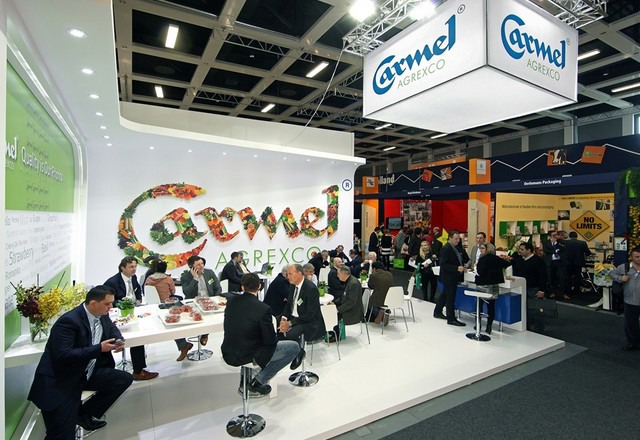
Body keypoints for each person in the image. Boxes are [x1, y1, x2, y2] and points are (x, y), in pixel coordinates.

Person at [28, 285, 133, 439]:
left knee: (123, 379)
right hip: (62, 381)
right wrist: (99, 348)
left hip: (86, 373)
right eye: (107, 303)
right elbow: (63, 356)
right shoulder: (68, 322)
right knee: (62, 435)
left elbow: (111, 328)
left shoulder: (101, 314)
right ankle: (71, 416)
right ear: (93, 303)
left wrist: (118, 339)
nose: (111, 307)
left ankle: (83, 414)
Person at [221, 273, 300, 396]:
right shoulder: (263, 309)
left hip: (228, 350)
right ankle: (259, 381)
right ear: (259, 287)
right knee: (294, 347)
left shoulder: (231, 301)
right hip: (248, 354)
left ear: (242, 287)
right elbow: (270, 341)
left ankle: (248, 379)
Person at [104, 257, 158, 381]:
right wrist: (123, 305)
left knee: (141, 334)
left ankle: (138, 368)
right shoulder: (112, 282)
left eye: (135, 266)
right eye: (131, 267)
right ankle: (138, 371)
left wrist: (138, 300)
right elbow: (109, 301)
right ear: (122, 268)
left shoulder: (133, 278)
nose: (134, 269)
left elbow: (137, 289)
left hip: (134, 311)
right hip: (119, 315)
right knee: (137, 337)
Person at [146, 261, 193, 361]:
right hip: (166, 305)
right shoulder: (168, 279)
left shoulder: (149, 279)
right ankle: (184, 344)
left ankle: (184, 345)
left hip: (153, 306)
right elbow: (173, 292)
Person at [278, 264, 326, 348]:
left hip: (307, 321)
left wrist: (289, 323)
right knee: (273, 323)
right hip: (294, 317)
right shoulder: (293, 285)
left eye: (290, 274)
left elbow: (310, 314)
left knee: (291, 334)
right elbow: (289, 305)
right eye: (287, 274)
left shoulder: (311, 289)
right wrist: (283, 319)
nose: (288, 277)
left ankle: (298, 353)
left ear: (299, 273)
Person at [180, 255, 222, 346]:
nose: (201, 266)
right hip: (194, 303)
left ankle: (205, 334)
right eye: (198, 265)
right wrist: (195, 279)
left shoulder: (209, 273)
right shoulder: (185, 277)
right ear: (191, 266)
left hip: (209, 301)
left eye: (202, 263)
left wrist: (214, 299)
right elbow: (187, 292)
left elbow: (218, 287)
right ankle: (200, 334)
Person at [475, 243, 511, 334]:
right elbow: (508, 264)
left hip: (483, 285)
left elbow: (480, 272)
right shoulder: (497, 259)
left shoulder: (482, 259)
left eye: (482, 248)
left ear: (488, 249)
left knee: (479, 305)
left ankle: (478, 324)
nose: (481, 250)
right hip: (494, 285)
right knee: (491, 307)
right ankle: (489, 325)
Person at [434, 230, 467, 326]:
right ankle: (451, 318)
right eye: (456, 239)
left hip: (451, 276)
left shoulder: (455, 248)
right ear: (450, 238)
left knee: (445, 294)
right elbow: (443, 264)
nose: (458, 241)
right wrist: (456, 268)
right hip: (449, 277)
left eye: (458, 239)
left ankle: (437, 311)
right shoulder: (446, 248)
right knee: (450, 298)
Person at [512, 242, 547, 332]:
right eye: (519, 249)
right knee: (525, 310)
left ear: (529, 250)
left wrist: (541, 290)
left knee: (535, 310)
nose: (520, 251)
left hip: (533, 289)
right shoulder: (520, 259)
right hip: (522, 288)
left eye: (522, 249)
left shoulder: (538, 261)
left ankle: (538, 329)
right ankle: (527, 327)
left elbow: (543, 276)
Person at [610, 248, 640, 351]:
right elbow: (612, 273)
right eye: (636, 257)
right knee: (630, 323)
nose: (639, 259)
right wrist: (620, 278)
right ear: (631, 257)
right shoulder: (625, 267)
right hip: (630, 301)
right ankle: (633, 342)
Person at [329, 266, 364, 331]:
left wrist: (338, 309)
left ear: (344, 274)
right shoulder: (349, 281)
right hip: (348, 306)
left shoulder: (353, 283)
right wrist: (335, 302)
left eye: (338, 274)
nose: (337, 276)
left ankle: (335, 334)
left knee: (331, 315)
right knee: (329, 310)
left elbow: (351, 302)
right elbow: (343, 296)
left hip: (353, 311)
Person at [543, 230, 570, 300]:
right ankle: (552, 292)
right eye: (553, 235)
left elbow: (563, 248)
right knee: (551, 278)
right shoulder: (546, 242)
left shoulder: (561, 241)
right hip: (550, 262)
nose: (555, 236)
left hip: (560, 262)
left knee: (562, 278)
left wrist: (555, 243)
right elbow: (546, 251)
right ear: (549, 236)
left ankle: (562, 293)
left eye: (556, 235)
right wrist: (555, 250)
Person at [564, 231, 592, 297]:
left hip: (568, 262)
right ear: (577, 236)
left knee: (568, 276)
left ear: (569, 236)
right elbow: (588, 253)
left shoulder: (565, 242)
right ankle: (576, 290)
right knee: (577, 276)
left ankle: (568, 290)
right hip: (578, 263)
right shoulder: (582, 243)